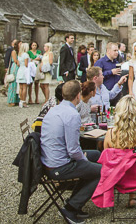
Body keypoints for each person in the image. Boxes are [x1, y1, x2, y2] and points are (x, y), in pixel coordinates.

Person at [41, 80, 102, 223]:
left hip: (48, 159)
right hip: (58, 166)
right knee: (101, 171)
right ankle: (71, 208)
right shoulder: (72, 114)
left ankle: (74, 200)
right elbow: (73, 150)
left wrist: (84, 158)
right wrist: (84, 159)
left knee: (97, 154)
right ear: (78, 96)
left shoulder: (55, 109)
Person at [6, 40, 21, 106]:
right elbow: (15, 60)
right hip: (15, 68)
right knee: (13, 84)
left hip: (20, 68)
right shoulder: (14, 52)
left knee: (18, 84)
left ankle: (17, 100)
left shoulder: (21, 52)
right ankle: (11, 100)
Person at [16, 42, 30, 108]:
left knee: (20, 87)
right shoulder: (25, 55)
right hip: (25, 70)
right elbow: (26, 64)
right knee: (24, 87)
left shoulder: (19, 54)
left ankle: (21, 101)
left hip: (20, 70)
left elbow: (18, 63)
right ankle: (24, 101)